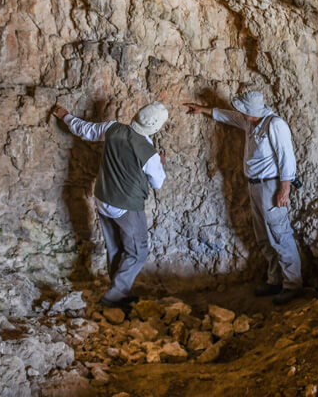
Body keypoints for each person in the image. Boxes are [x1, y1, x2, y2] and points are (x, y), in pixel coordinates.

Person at [184, 90, 302, 305]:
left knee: (280, 234)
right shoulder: (250, 121)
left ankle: (292, 284)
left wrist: (284, 190)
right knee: (264, 237)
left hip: (272, 185)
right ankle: (275, 280)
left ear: (252, 111)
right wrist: (203, 110)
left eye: (243, 110)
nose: (240, 112)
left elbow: (287, 158)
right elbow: (228, 116)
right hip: (255, 186)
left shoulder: (275, 125)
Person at [52, 101, 168, 310]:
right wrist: (160, 162)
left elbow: (85, 130)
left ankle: (118, 289)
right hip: (125, 205)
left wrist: (66, 117)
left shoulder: (113, 128)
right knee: (137, 252)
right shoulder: (148, 153)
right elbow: (157, 182)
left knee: (115, 247)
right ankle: (114, 297)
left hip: (103, 198)